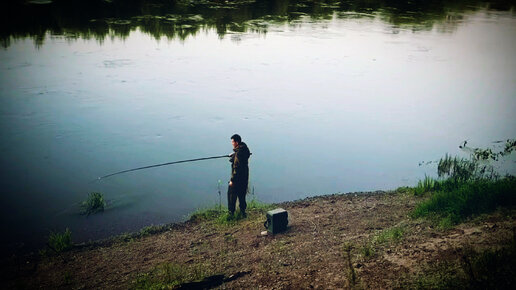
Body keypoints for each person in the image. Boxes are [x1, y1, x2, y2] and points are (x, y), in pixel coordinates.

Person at [228, 134, 251, 218]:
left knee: (231, 195)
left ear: (236, 142)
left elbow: (236, 168)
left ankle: (231, 214)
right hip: (244, 177)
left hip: (237, 178)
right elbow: (242, 157)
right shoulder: (244, 149)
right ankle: (243, 212)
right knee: (242, 195)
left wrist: (232, 180)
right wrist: (234, 154)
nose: (232, 143)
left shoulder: (238, 153)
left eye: (233, 142)